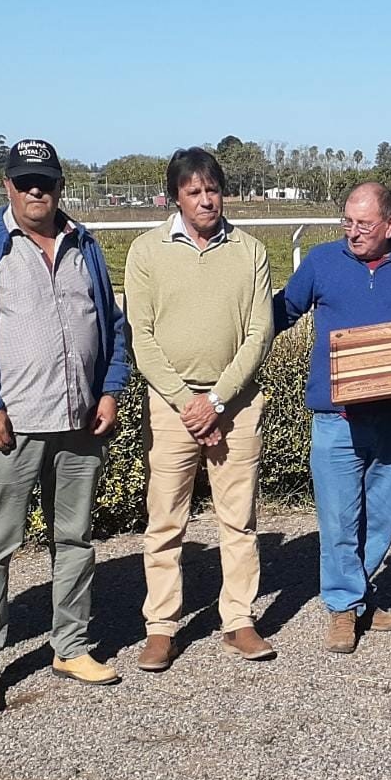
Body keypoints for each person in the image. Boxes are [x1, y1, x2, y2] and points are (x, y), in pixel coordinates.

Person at [0, 138, 130, 711]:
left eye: (45, 181)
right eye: (25, 181)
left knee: (74, 541)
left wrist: (110, 388)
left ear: (60, 186)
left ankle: (70, 645)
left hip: (79, 422)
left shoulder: (86, 246)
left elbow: (112, 327)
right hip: (12, 424)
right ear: (7, 184)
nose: (35, 191)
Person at [273, 182, 391, 654]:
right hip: (336, 418)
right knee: (339, 518)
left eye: (364, 224)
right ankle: (343, 607)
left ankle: (360, 595)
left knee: (383, 519)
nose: (353, 232)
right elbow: (280, 312)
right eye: (347, 222)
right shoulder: (322, 263)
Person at [126, 148, 275, 669]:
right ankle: (162, 627)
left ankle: (238, 619)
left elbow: (260, 332)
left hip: (236, 403)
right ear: (176, 197)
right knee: (166, 521)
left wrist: (215, 400)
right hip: (171, 407)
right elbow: (141, 338)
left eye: (212, 189)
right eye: (194, 191)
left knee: (239, 520)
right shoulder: (146, 252)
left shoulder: (251, 251)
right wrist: (188, 402)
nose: (206, 199)